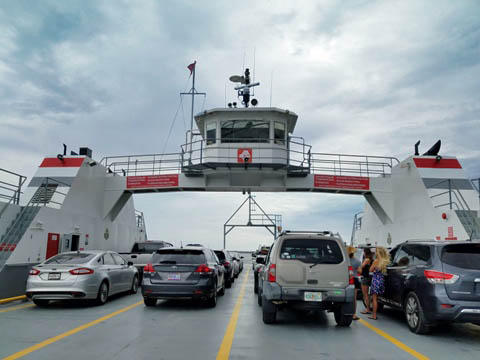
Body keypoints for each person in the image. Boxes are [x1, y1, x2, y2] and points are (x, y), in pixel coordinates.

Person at [368, 247, 390, 320]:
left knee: (374, 299)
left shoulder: (376, 261)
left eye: (376, 252)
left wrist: (374, 269)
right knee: (379, 298)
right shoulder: (386, 261)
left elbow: (370, 270)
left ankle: (374, 315)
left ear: (378, 253)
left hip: (375, 280)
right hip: (382, 280)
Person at [347, 246, 361, 320]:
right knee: (354, 298)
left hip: (346, 279)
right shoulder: (358, 261)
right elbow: (359, 271)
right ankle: (354, 314)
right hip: (354, 280)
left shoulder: (345, 260)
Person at [359, 248, 373, 315]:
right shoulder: (370, 259)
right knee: (366, 294)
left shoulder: (367, 259)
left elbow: (361, 266)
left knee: (365, 294)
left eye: (364, 252)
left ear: (365, 252)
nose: (363, 253)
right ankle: (368, 308)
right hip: (367, 277)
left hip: (365, 278)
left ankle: (368, 309)